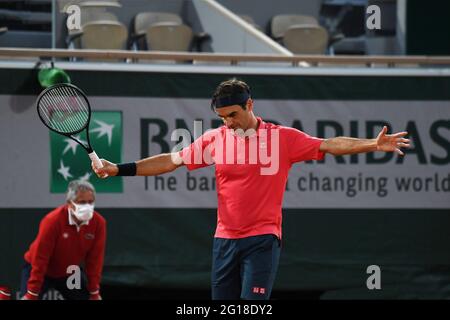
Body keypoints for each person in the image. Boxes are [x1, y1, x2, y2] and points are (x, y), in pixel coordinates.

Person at [92, 78, 410, 300]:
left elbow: (329, 144)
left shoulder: (282, 138)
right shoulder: (215, 139)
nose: (228, 122)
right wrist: (119, 168)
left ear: (250, 105)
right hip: (224, 242)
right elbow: (170, 161)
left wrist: (371, 143)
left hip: (262, 239)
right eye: (222, 117)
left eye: (233, 115)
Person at [20, 180, 106, 300]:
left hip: (69, 272)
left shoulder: (98, 223)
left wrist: (94, 292)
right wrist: (32, 293)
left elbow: (95, 260)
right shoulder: (52, 221)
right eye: (82, 202)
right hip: (39, 270)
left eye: (90, 202)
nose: (87, 206)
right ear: (70, 203)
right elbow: (40, 258)